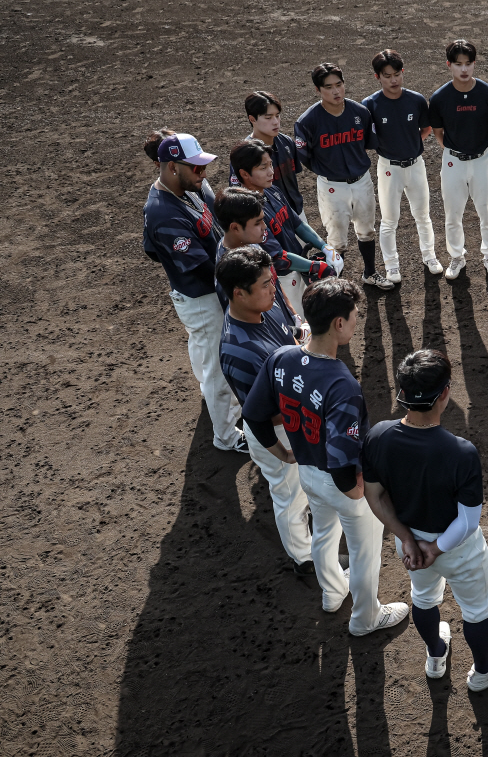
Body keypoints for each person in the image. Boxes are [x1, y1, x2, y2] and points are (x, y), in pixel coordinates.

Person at [242, 278, 409, 633]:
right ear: (338, 324)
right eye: (354, 316)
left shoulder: (282, 357)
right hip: (339, 480)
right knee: (364, 550)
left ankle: (332, 593)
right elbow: (341, 460)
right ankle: (366, 618)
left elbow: (254, 415)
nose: (356, 321)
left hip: (306, 471)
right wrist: (357, 493)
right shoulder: (340, 383)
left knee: (323, 534)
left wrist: (282, 453)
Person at [362, 350, 488, 690]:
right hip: (455, 547)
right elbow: (467, 521)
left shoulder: (378, 435)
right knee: (477, 611)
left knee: (422, 597)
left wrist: (407, 539)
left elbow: (373, 495)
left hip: (409, 542)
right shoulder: (460, 451)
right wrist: (434, 547)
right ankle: (482, 672)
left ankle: (436, 655)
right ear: (445, 393)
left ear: (401, 393)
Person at [142, 132, 246, 453]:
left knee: (203, 351)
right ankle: (226, 436)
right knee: (218, 367)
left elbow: (151, 251)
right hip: (201, 297)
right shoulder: (163, 213)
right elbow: (201, 268)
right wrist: (241, 276)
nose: (203, 174)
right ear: (173, 167)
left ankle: (208, 393)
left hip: (199, 294)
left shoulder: (188, 187)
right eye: (197, 168)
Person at [216, 245, 314, 573]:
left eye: (272, 281)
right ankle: (305, 559)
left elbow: (291, 336)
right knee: (290, 497)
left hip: (295, 417)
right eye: (265, 285)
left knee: (305, 487)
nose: (274, 288)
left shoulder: (265, 305)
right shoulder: (239, 352)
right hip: (276, 432)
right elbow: (266, 413)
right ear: (239, 294)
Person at [294, 63, 393, 290]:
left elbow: (369, 142)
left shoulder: (360, 112)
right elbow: (305, 157)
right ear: (317, 91)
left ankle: (370, 273)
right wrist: (328, 170)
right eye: (328, 87)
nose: (336, 91)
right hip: (331, 187)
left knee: (367, 230)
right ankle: (335, 286)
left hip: (362, 181)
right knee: (337, 240)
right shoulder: (308, 121)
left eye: (339, 85)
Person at [230, 139, 336, 318]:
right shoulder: (247, 212)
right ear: (244, 174)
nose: (271, 172)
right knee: (299, 325)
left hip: (298, 267)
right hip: (279, 280)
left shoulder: (272, 191)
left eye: (270, 165)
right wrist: (316, 266)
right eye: (263, 168)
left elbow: (297, 224)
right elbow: (278, 257)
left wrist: (325, 247)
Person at [428, 39, 488, 281]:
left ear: (474, 64)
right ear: (449, 65)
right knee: (453, 214)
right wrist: (457, 152)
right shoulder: (440, 97)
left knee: (487, 211)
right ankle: (457, 257)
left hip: (481, 161)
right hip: (453, 162)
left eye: (468, 64)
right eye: (458, 64)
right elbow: (438, 134)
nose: (464, 70)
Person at [363, 49, 441, 282]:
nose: (393, 80)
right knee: (389, 220)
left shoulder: (416, 100)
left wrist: (410, 144)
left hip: (416, 165)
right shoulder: (370, 104)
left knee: (423, 216)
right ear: (378, 77)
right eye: (387, 76)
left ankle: (429, 256)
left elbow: (426, 128)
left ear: (402, 73)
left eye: (397, 74)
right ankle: (392, 266)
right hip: (389, 168)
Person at [235, 91, 308, 227]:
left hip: (297, 213)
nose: (275, 122)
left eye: (277, 116)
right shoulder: (245, 153)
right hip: (269, 220)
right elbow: (240, 193)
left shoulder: (286, 142)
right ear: (252, 119)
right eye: (268, 117)